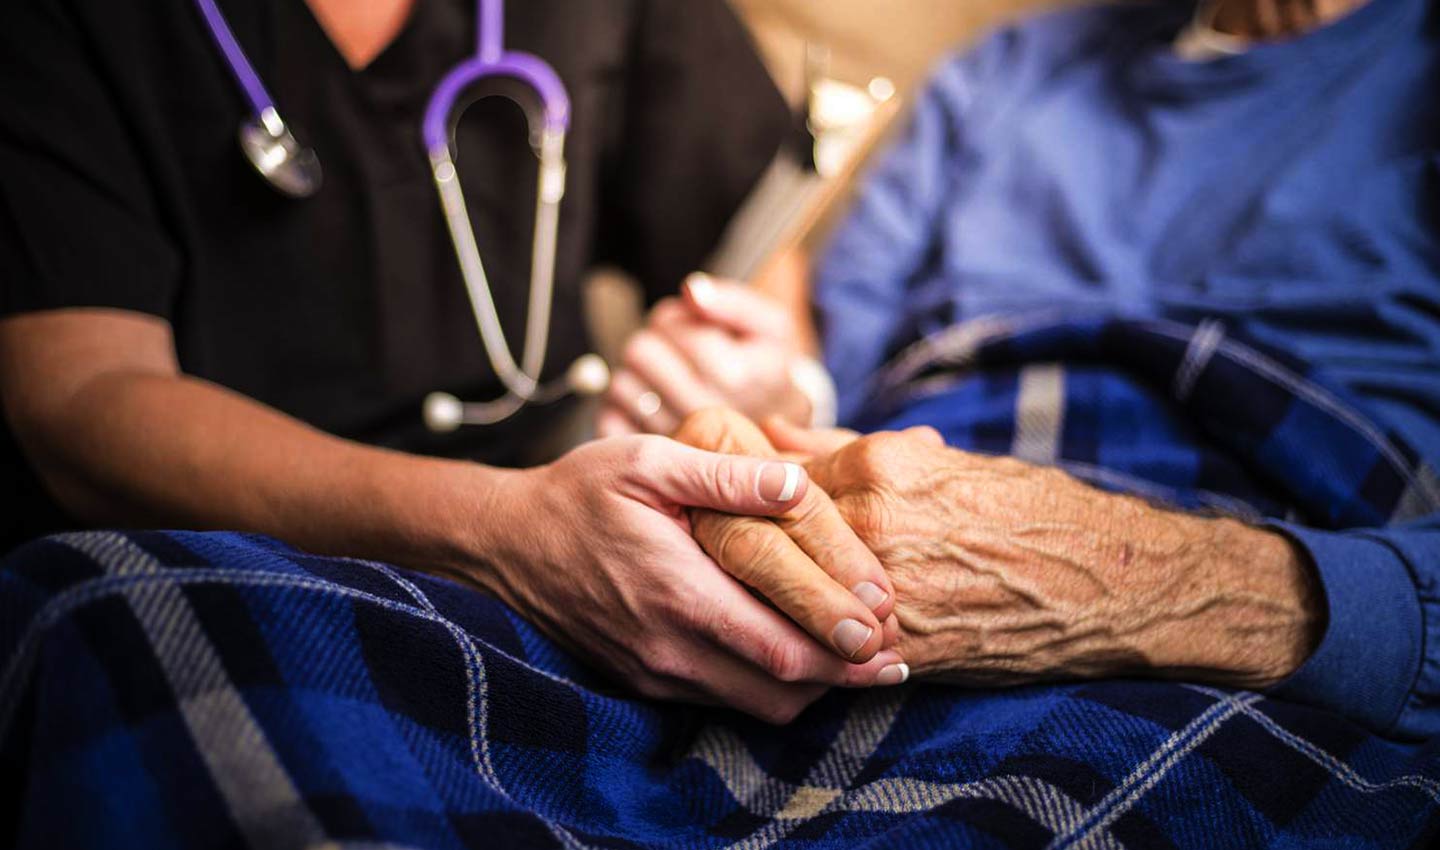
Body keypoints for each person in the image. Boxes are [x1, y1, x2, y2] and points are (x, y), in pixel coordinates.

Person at [0, 0, 911, 722]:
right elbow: (81, 394)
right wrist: (505, 534)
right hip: (220, 566)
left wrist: (769, 376)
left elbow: (753, 258)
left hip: (589, 542)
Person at [609, 0, 1440, 739]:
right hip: (905, 518)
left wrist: (1159, 588)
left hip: (1281, 544)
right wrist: (769, 396)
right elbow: (838, 369)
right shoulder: (1000, 73)